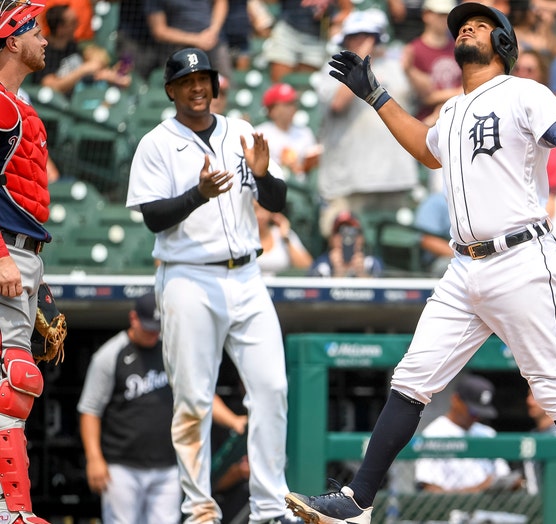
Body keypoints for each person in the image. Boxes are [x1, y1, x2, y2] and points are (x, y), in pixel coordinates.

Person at [285, 3, 556, 523]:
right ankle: (356, 504)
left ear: (505, 42)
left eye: (481, 23)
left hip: (520, 258)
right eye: (461, 24)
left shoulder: (523, 92)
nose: (467, 26)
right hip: (463, 268)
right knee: (411, 378)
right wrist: (376, 95)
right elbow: (425, 147)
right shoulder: (451, 110)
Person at [125, 48, 298, 524]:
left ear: (216, 86)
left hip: (247, 273)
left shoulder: (241, 130)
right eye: (187, 80)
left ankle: (268, 507)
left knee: (272, 388)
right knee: (194, 399)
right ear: (171, 90)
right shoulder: (156, 143)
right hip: (188, 277)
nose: (198, 87)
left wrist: (262, 175)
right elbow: (153, 218)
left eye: (205, 78)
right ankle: (200, 508)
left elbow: (279, 202)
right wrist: (197, 194)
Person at [0, 2, 59, 522]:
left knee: (16, 381)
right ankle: (10, 509)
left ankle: (13, 507)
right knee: (12, 379)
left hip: (24, 252)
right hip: (5, 249)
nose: (44, 38)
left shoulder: (20, 107)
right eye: (34, 30)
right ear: (11, 40)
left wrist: (38, 279)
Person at [77, 292, 181, 524]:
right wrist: (94, 459)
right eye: (148, 327)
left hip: (167, 465)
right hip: (122, 466)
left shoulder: (170, 350)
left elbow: (196, 396)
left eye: (157, 327)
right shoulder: (110, 354)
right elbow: (90, 410)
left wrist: (234, 421)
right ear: (133, 318)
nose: (153, 333)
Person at [315, 8, 418, 238]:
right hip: (349, 182)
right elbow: (337, 104)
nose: (362, 41)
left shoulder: (396, 68)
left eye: (367, 35)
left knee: (396, 250)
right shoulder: (334, 67)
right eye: (356, 36)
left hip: (395, 178)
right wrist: (359, 63)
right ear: (346, 39)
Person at [414, 374, 516, 492]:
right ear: (456, 400)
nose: (476, 417)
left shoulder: (488, 433)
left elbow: (503, 474)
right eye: (473, 411)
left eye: (481, 413)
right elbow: (429, 489)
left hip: (492, 508)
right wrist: (478, 490)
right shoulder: (434, 434)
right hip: (454, 509)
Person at [401, 0, 462, 125]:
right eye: (440, 14)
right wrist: (459, 93)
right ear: (426, 15)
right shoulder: (414, 50)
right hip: (427, 123)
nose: (445, 19)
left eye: (448, 15)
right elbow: (426, 96)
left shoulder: (459, 48)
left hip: (457, 120)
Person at [255, 83, 322, 181]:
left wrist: (301, 167)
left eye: (293, 103)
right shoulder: (260, 133)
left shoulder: (305, 133)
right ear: (272, 110)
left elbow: (312, 167)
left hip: (300, 188)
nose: (292, 108)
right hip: (271, 186)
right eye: (287, 104)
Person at [309, 211, 384, 278]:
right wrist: (336, 275)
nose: (346, 238)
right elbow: (310, 290)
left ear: (361, 238)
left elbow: (384, 290)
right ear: (331, 239)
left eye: (352, 232)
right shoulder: (322, 264)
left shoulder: (371, 263)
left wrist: (363, 275)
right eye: (340, 231)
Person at [254, 199, 313, 276]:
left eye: (264, 209)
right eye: (255, 209)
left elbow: (307, 266)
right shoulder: (241, 237)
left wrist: (286, 238)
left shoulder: (284, 234)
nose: (260, 215)